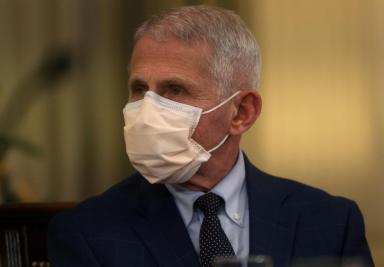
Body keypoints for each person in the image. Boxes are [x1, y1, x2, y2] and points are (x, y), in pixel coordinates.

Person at [48, 5, 374, 267]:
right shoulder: (87, 232)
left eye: (174, 90)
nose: (148, 111)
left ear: (242, 112)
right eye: (139, 89)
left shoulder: (330, 221)